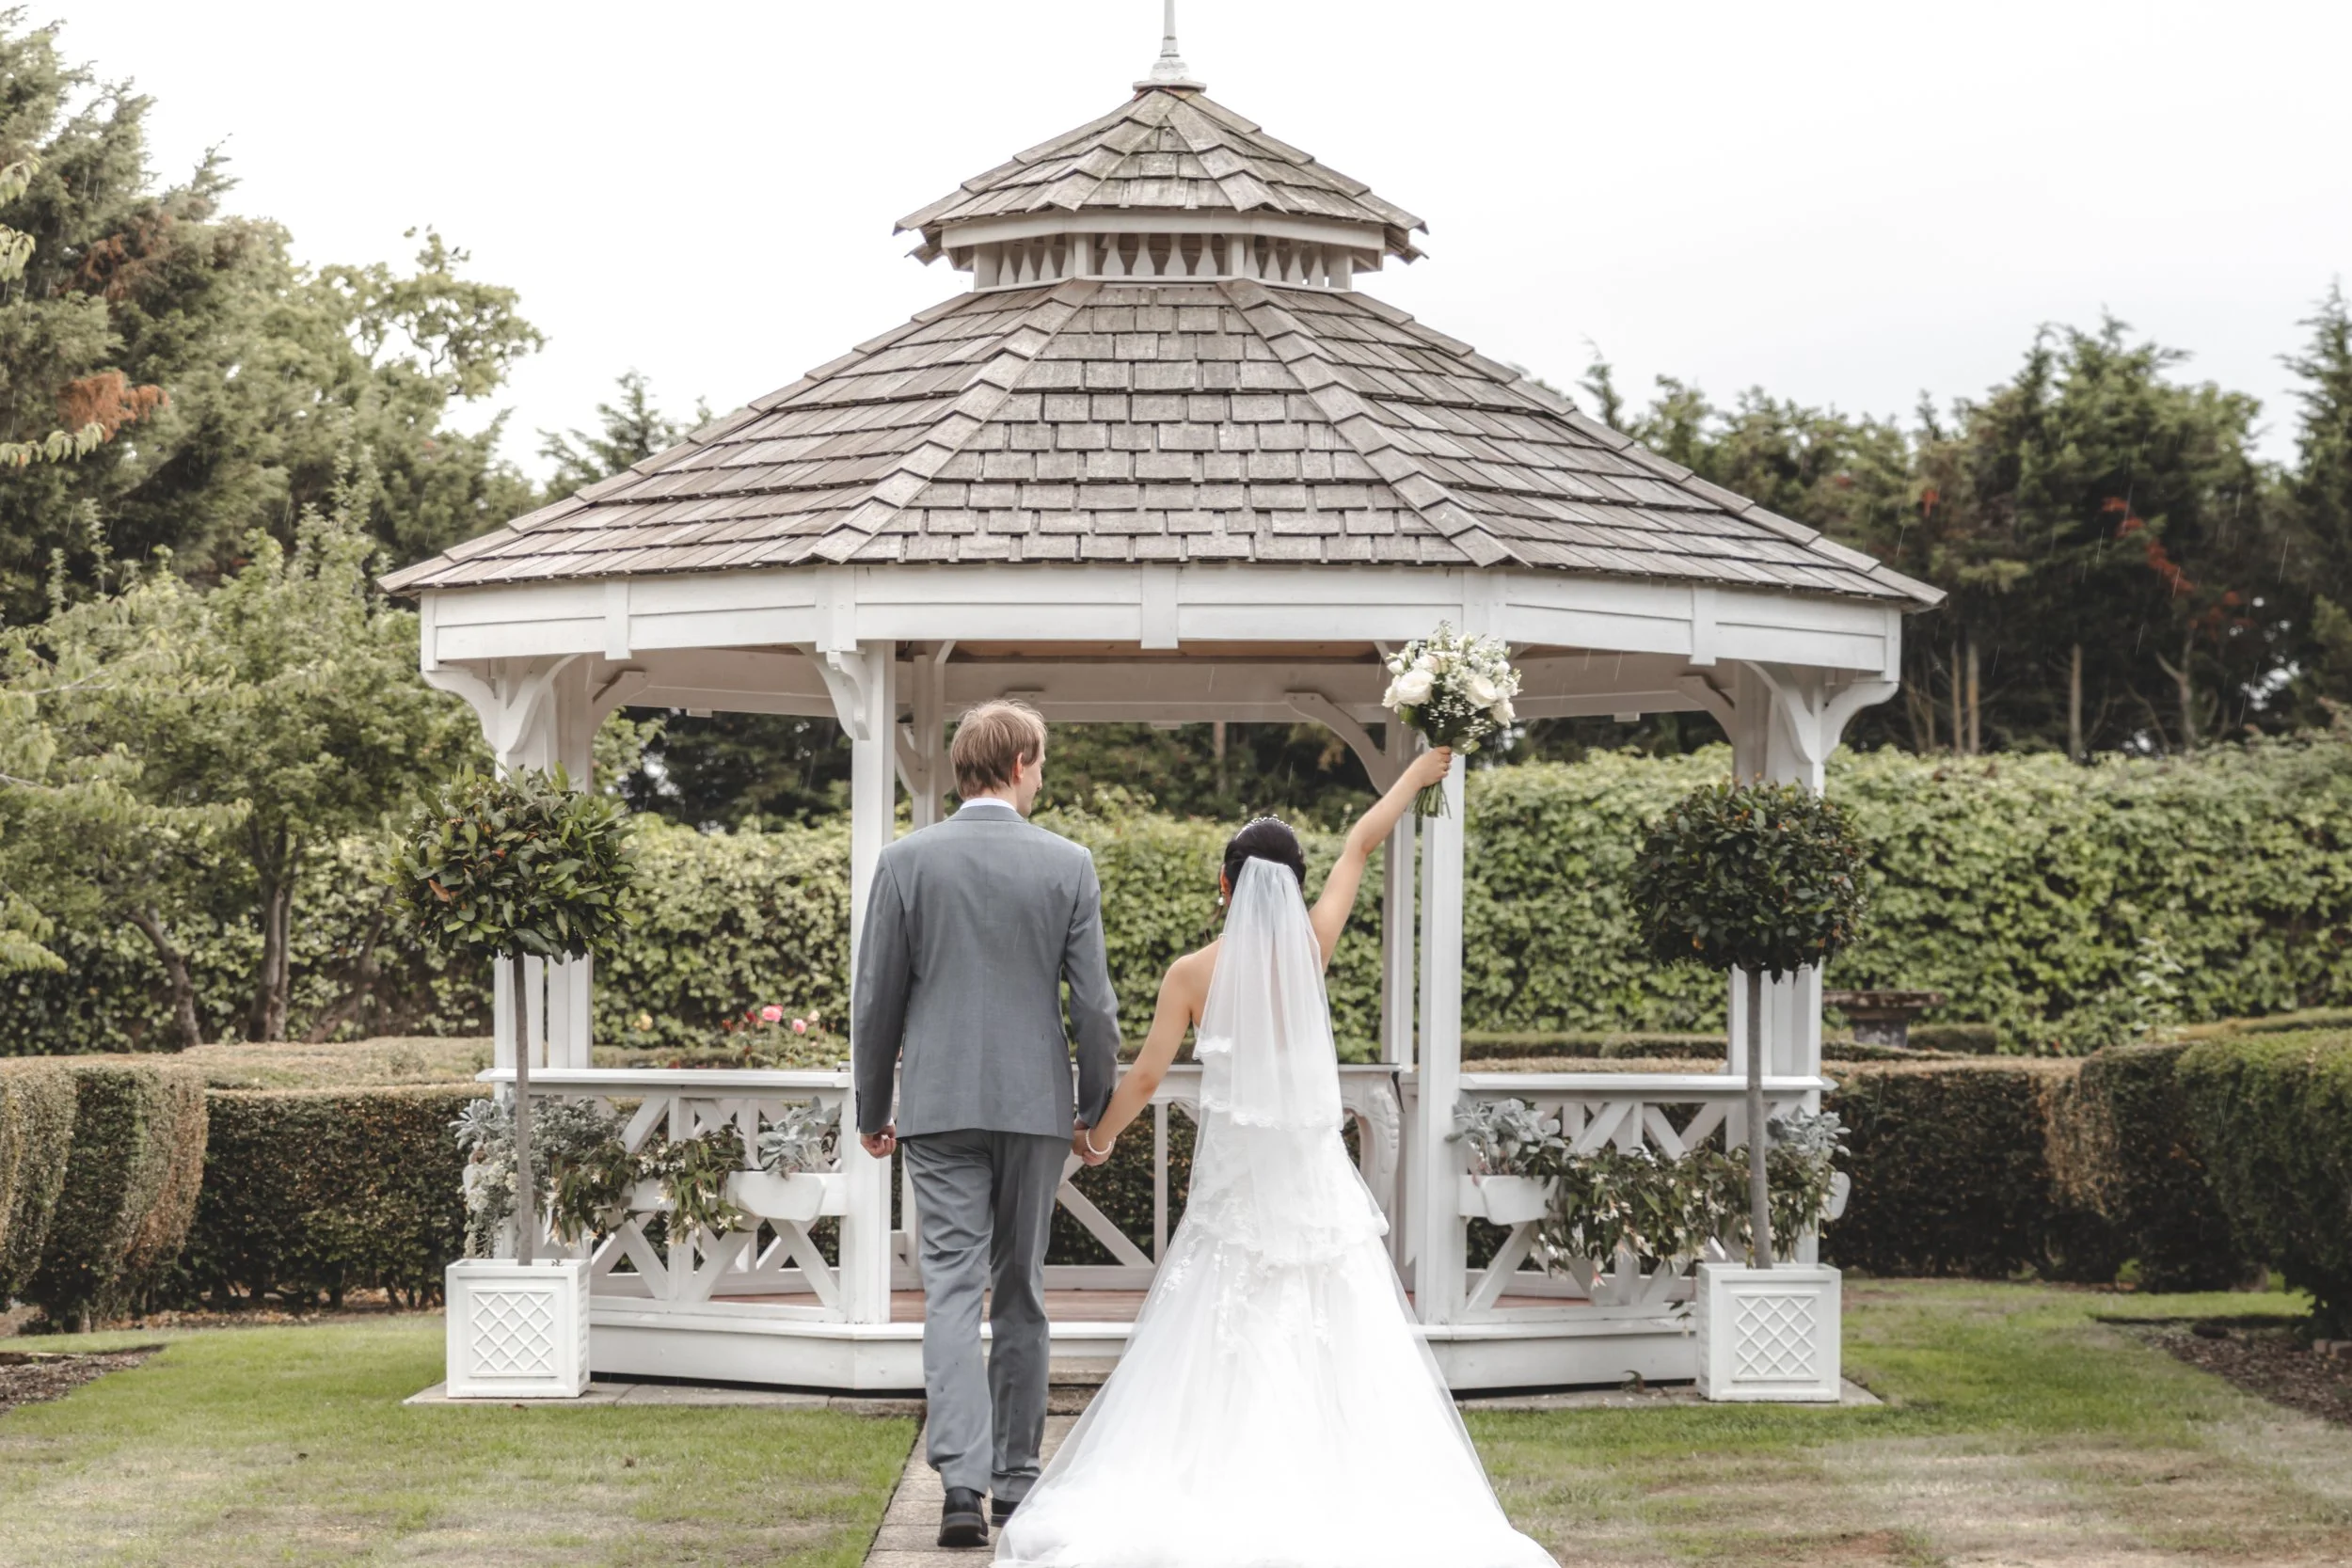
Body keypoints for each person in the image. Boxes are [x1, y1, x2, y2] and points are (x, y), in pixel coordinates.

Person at [998, 746, 1555, 1568]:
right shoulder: (1312, 945)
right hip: (1314, 1193)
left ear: (1225, 886)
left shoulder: (1192, 972)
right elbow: (1361, 843)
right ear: (1292, 889)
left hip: (1233, 1197)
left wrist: (1098, 1135)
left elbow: (1148, 1073)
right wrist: (1411, 775)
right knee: (1337, 1335)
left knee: (1219, 1337)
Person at [852, 700, 1122, 1550]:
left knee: (949, 1290)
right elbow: (1098, 1005)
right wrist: (1095, 1104)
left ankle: (960, 1487)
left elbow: (875, 1001)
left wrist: (872, 1106)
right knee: (1022, 1292)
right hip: (1035, 1106)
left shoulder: (905, 861)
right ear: (1016, 765)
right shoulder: (1069, 864)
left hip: (937, 1107)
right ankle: (1017, 1478)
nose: (1042, 778)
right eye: (1039, 763)